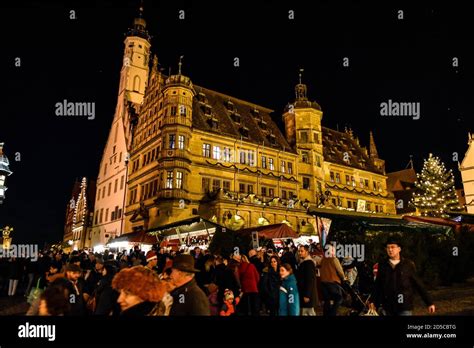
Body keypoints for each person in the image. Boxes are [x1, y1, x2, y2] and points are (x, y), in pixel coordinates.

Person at [370, 238, 435, 316]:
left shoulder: (408, 264)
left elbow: (418, 284)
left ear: (399, 249)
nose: (390, 250)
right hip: (388, 307)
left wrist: (429, 302)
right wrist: (373, 301)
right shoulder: (382, 265)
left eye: (392, 247)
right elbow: (378, 285)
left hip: (404, 306)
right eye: (388, 247)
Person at [320, 244, 346, 316]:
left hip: (323, 282)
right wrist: (343, 278)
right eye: (333, 249)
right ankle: (332, 313)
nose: (334, 251)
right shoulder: (334, 259)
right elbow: (340, 270)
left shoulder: (323, 259)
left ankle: (326, 314)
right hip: (332, 282)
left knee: (327, 300)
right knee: (339, 298)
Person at [296, 245, 317, 316]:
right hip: (304, 293)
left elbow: (310, 280)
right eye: (299, 251)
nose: (300, 253)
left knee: (308, 313)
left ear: (307, 252)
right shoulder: (304, 262)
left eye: (302, 251)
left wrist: (307, 295)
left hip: (307, 295)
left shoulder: (309, 263)